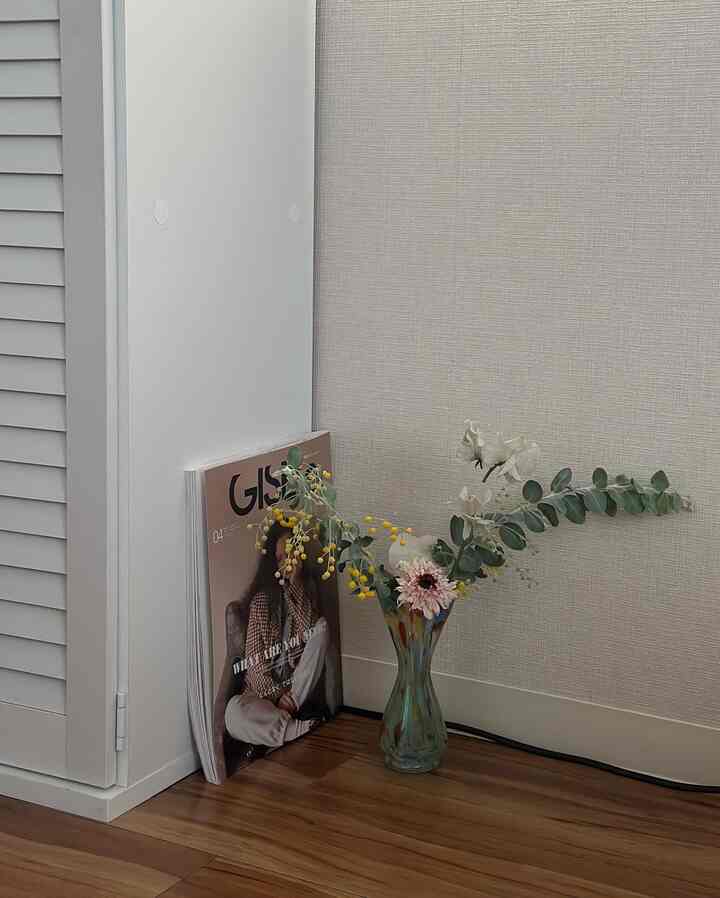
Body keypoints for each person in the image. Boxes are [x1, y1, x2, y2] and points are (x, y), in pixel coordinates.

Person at [224, 522, 329, 749]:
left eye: (291, 555)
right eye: (281, 557)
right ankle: (292, 729)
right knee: (233, 711)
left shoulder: (306, 590)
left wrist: (296, 584)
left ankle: (278, 728)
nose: (287, 562)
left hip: (296, 689)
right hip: (263, 696)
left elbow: (310, 635)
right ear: (273, 562)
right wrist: (278, 696)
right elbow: (255, 668)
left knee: (321, 627)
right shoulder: (260, 602)